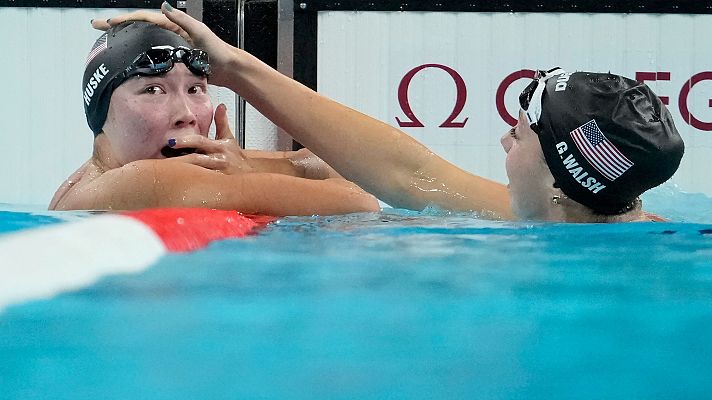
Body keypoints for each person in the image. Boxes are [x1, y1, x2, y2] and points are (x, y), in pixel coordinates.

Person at [94, 3, 685, 222]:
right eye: (151, 89)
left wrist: (250, 177)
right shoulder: (578, 213)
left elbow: (369, 194)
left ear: (562, 179)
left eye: (523, 132)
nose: (507, 141)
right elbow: (405, 173)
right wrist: (237, 71)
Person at [50, 21, 380, 216]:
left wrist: (242, 168)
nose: (186, 115)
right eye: (153, 90)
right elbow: (359, 200)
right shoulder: (141, 180)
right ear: (101, 110)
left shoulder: (86, 181)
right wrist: (246, 173)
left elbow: (314, 163)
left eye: (195, 89)